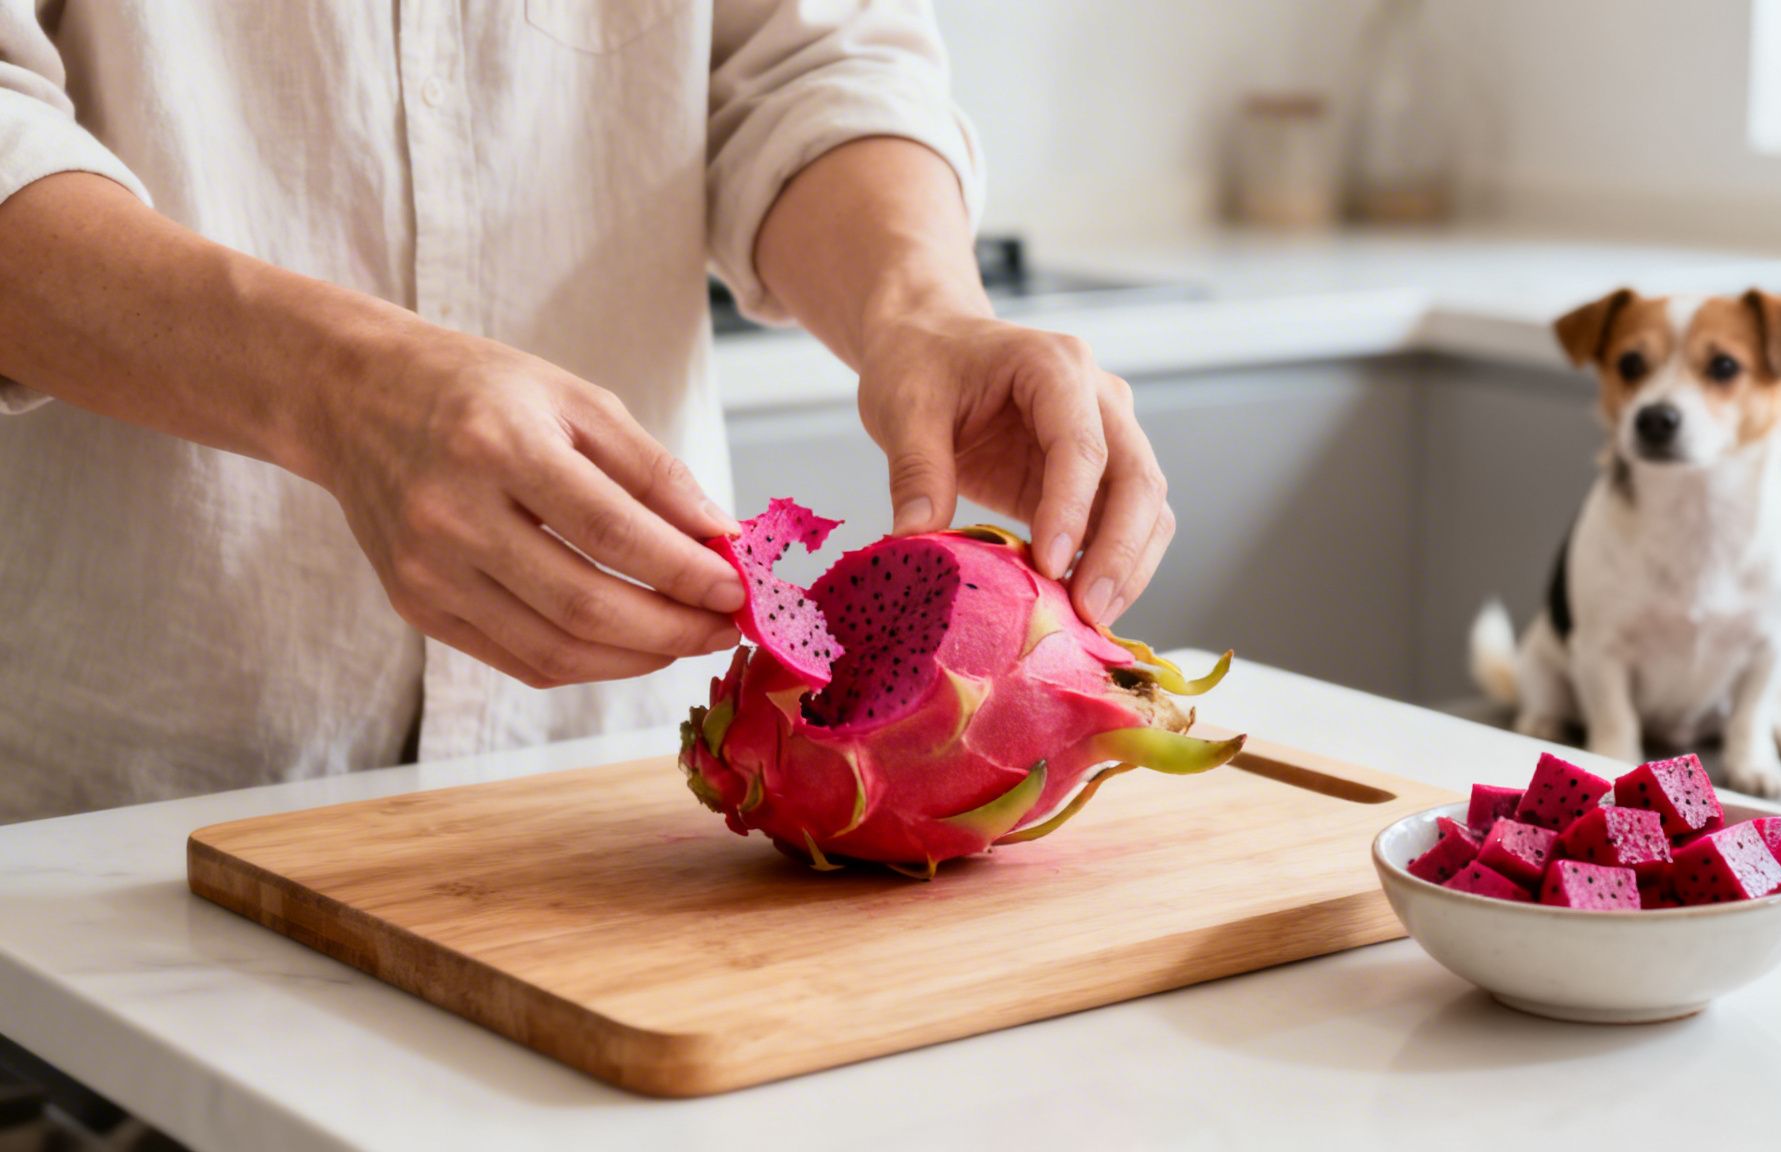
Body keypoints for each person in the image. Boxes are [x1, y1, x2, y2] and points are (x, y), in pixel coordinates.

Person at [0, 4, 1173, 823]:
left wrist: (921, 304)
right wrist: (335, 388)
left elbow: (806, 58)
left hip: (612, 799)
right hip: (119, 811)